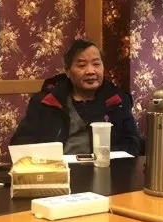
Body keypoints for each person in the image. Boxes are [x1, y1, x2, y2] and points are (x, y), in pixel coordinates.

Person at [9, 39, 141, 156]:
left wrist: (105, 156)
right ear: (67, 71)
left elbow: (132, 144)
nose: (90, 71)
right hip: (58, 171)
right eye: (82, 65)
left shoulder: (118, 101)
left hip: (106, 170)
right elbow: (21, 144)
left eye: (96, 64)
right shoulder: (45, 102)